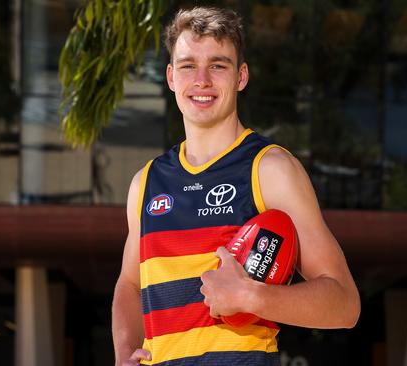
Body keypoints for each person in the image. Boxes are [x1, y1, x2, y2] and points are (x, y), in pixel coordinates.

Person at [112, 6, 360, 366]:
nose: (202, 80)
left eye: (218, 65)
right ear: (170, 77)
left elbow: (344, 304)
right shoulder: (146, 183)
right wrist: (124, 353)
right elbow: (130, 285)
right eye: (187, 66)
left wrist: (251, 297)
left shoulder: (270, 169)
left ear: (241, 76)